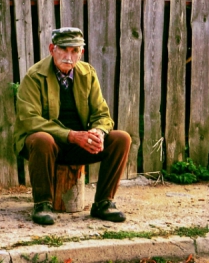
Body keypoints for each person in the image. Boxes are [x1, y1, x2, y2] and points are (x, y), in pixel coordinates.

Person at [15, 27, 132, 226]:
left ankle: (104, 203)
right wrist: (70, 135)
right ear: (52, 49)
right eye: (64, 50)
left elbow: (102, 114)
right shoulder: (34, 76)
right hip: (46, 147)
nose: (69, 56)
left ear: (81, 53)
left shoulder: (88, 73)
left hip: (79, 142)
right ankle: (42, 204)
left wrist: (98, 132)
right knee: (42, 139)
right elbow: (30, 120)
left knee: (121, 138)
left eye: (75, 51)